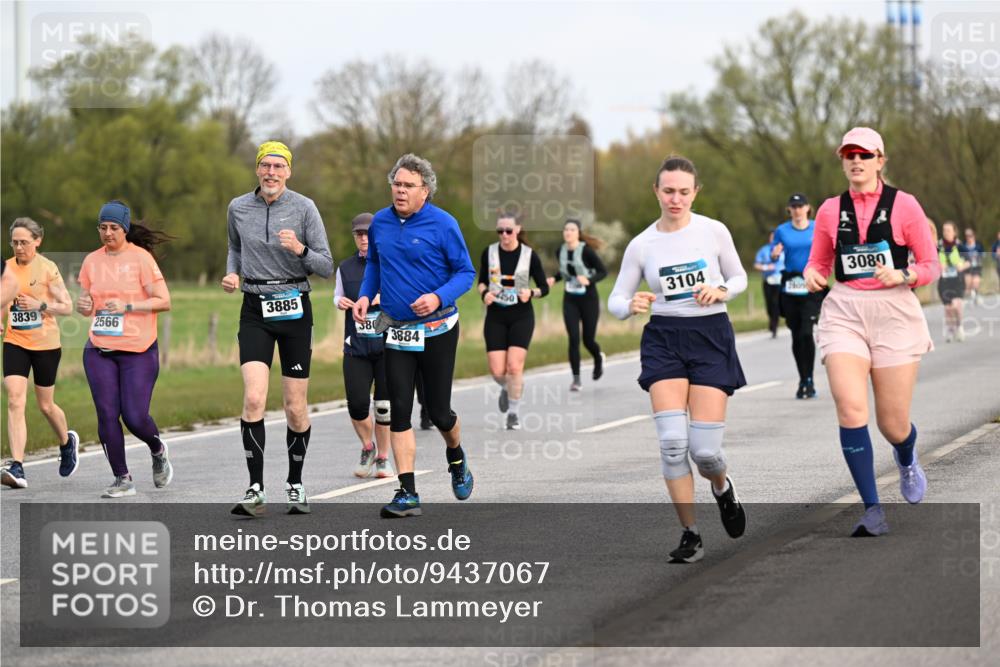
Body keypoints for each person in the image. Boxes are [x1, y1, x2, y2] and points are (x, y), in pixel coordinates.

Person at [608, 155, 749, 563]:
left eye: (684, 192)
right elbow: (617, 299)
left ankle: (722, 488)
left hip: (710, 335)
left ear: (695, 192)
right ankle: (691, 534)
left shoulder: (713, 231)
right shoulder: (642, 244)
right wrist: (629, 304)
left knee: (705, 452)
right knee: (672, 444)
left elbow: (738, 277)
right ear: (656, 191)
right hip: (664, 338)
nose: (676, 199)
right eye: (668, 191)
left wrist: (722, 288)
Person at [803, 127, 938, 537]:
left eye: (865, 155)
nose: (856, 161)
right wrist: (812, 274)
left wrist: (904, 272)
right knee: (850, 409)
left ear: (881, 160)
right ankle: (872, 508)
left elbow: (932, 265)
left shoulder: (905, 206)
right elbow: (819, 261)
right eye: (849, 155)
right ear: (842, 161)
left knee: (892, 424)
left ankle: (906, 455)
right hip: (844, 310)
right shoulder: (829, 210)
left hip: (894, 310)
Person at [353, 153, 476, 518]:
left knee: (438, 412)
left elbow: (465, 272)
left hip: (438, 329)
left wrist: (438, 296)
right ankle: (407, 492)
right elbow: (375, 263)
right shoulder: (381, 223)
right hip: (397, 330)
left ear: (425, 190)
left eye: (408, 185)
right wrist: (363, 295)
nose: (400, 191)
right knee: (399, 411)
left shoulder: (444, 224)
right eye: (396, 184)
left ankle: (456, 455)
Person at [223, 141, 334, 517]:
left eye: (278, 166)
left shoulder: (304, 208)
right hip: (254, 306)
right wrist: (233, 272)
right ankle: (255, 488)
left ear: (288, 171)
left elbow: (326, 265)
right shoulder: (238, 207)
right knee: (254, 399)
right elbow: (234, 247)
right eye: (265, 166)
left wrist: (300, 250)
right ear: (257, 169)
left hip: (294, 308)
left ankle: (295, 482)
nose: (271, 172)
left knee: (295, 407)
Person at [76, 201, 174, 498]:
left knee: (134, 416)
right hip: (100, 348)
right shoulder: (91, 261)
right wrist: (84, 306)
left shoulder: (141, 259)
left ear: (125, 229)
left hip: (138, 350)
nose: (107, 233)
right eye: (102, 227)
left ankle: (157, 450)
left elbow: (164, 300)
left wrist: (128, 306)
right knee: (106, 414)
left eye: (113, 228)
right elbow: (87, 303)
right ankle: (122, 478)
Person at [1, 218, 77, 489]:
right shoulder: (6, 269)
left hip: (45, 344)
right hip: (15, 342)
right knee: (15, 399)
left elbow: (67, 307)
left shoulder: (47, 268)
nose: (19, 247)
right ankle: (17, 466)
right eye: (15, 242)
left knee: (45, 405)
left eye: (24, 242)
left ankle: (67, 443)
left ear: (37, 241)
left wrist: (39, 304)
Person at [477, 211, 549, 430]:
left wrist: (532, 293)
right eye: (500, 231)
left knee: (514, 367)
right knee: (498, 371)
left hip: (521, 315)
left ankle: (513, 414)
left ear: (517, 230)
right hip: (496, 316)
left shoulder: (529, 255)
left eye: (508, 230)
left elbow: (544, 287)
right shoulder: (489, 253)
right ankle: (506, 387)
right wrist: (484, 294)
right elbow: (481, 282)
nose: (504, 235)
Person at [335, 213, 394, 479]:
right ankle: (367, 447)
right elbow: (337, 295)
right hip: (356, 345)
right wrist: (341, 302)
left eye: (367, 234)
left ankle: (383, 458)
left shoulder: (391, 264)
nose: (363, 238)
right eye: (359, 234)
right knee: (357, 405)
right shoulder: (345, 267)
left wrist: (383, 298)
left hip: (386, 345)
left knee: (383, 406)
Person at [773, 193, 827, 398]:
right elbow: (774, 251)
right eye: (793, 206)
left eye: (800, 206)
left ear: (807, 208)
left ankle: (810, 379)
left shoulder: (816, 227)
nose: (797, 210)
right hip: (791, 284)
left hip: (811, 284)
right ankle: (802, 378)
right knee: (796, 335)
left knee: (806, 332)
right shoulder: (782, 230)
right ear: (789, 210)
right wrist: (776, 253)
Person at [547, 219, 608, 391]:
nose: (568, 232)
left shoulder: (587, 252)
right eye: (565, 229)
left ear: (578, 233)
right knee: (573, 339)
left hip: (589, 299)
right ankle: (576, 380)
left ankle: (598, 358)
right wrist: (555, 278)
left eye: (572, 229)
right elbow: (565, 271)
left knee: (588, 340)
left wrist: (588, 280)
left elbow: (603, 271)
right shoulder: (560, 251)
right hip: (570, 299)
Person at [937, 221, 969, 342]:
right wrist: (939, 266)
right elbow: (930, 261)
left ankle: (959, 327)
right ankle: (950, 329)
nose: (946, 233)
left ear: (954, 232)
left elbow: (970, 260)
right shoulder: (938, 246)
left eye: (949, 230)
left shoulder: (960, 246)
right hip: (944, 281)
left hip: (958, 280)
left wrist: (962, 266)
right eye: (944, 230)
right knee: (948, 308)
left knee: (956, 306)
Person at [753, 230, 783, 337]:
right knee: (769, 304)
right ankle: (772, 321)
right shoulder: (763, 250)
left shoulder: (784, 250)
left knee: (776, 303)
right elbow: (756, 265)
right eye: (772, 237)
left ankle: (774, 327)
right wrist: (766, 267)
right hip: (768, 281)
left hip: (780, 281)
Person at [959, 227, 985, 305]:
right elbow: (960, 257)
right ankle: (972, 296)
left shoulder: (978, 246)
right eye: (967, 236)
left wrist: (978, 258)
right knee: (968, 284)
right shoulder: (963, 246)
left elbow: (983, 255)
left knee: (975, 282)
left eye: (970, 235)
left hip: (976, 267)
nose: (968, 237)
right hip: (967, 268)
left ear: (973, 236)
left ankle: (976, 295)